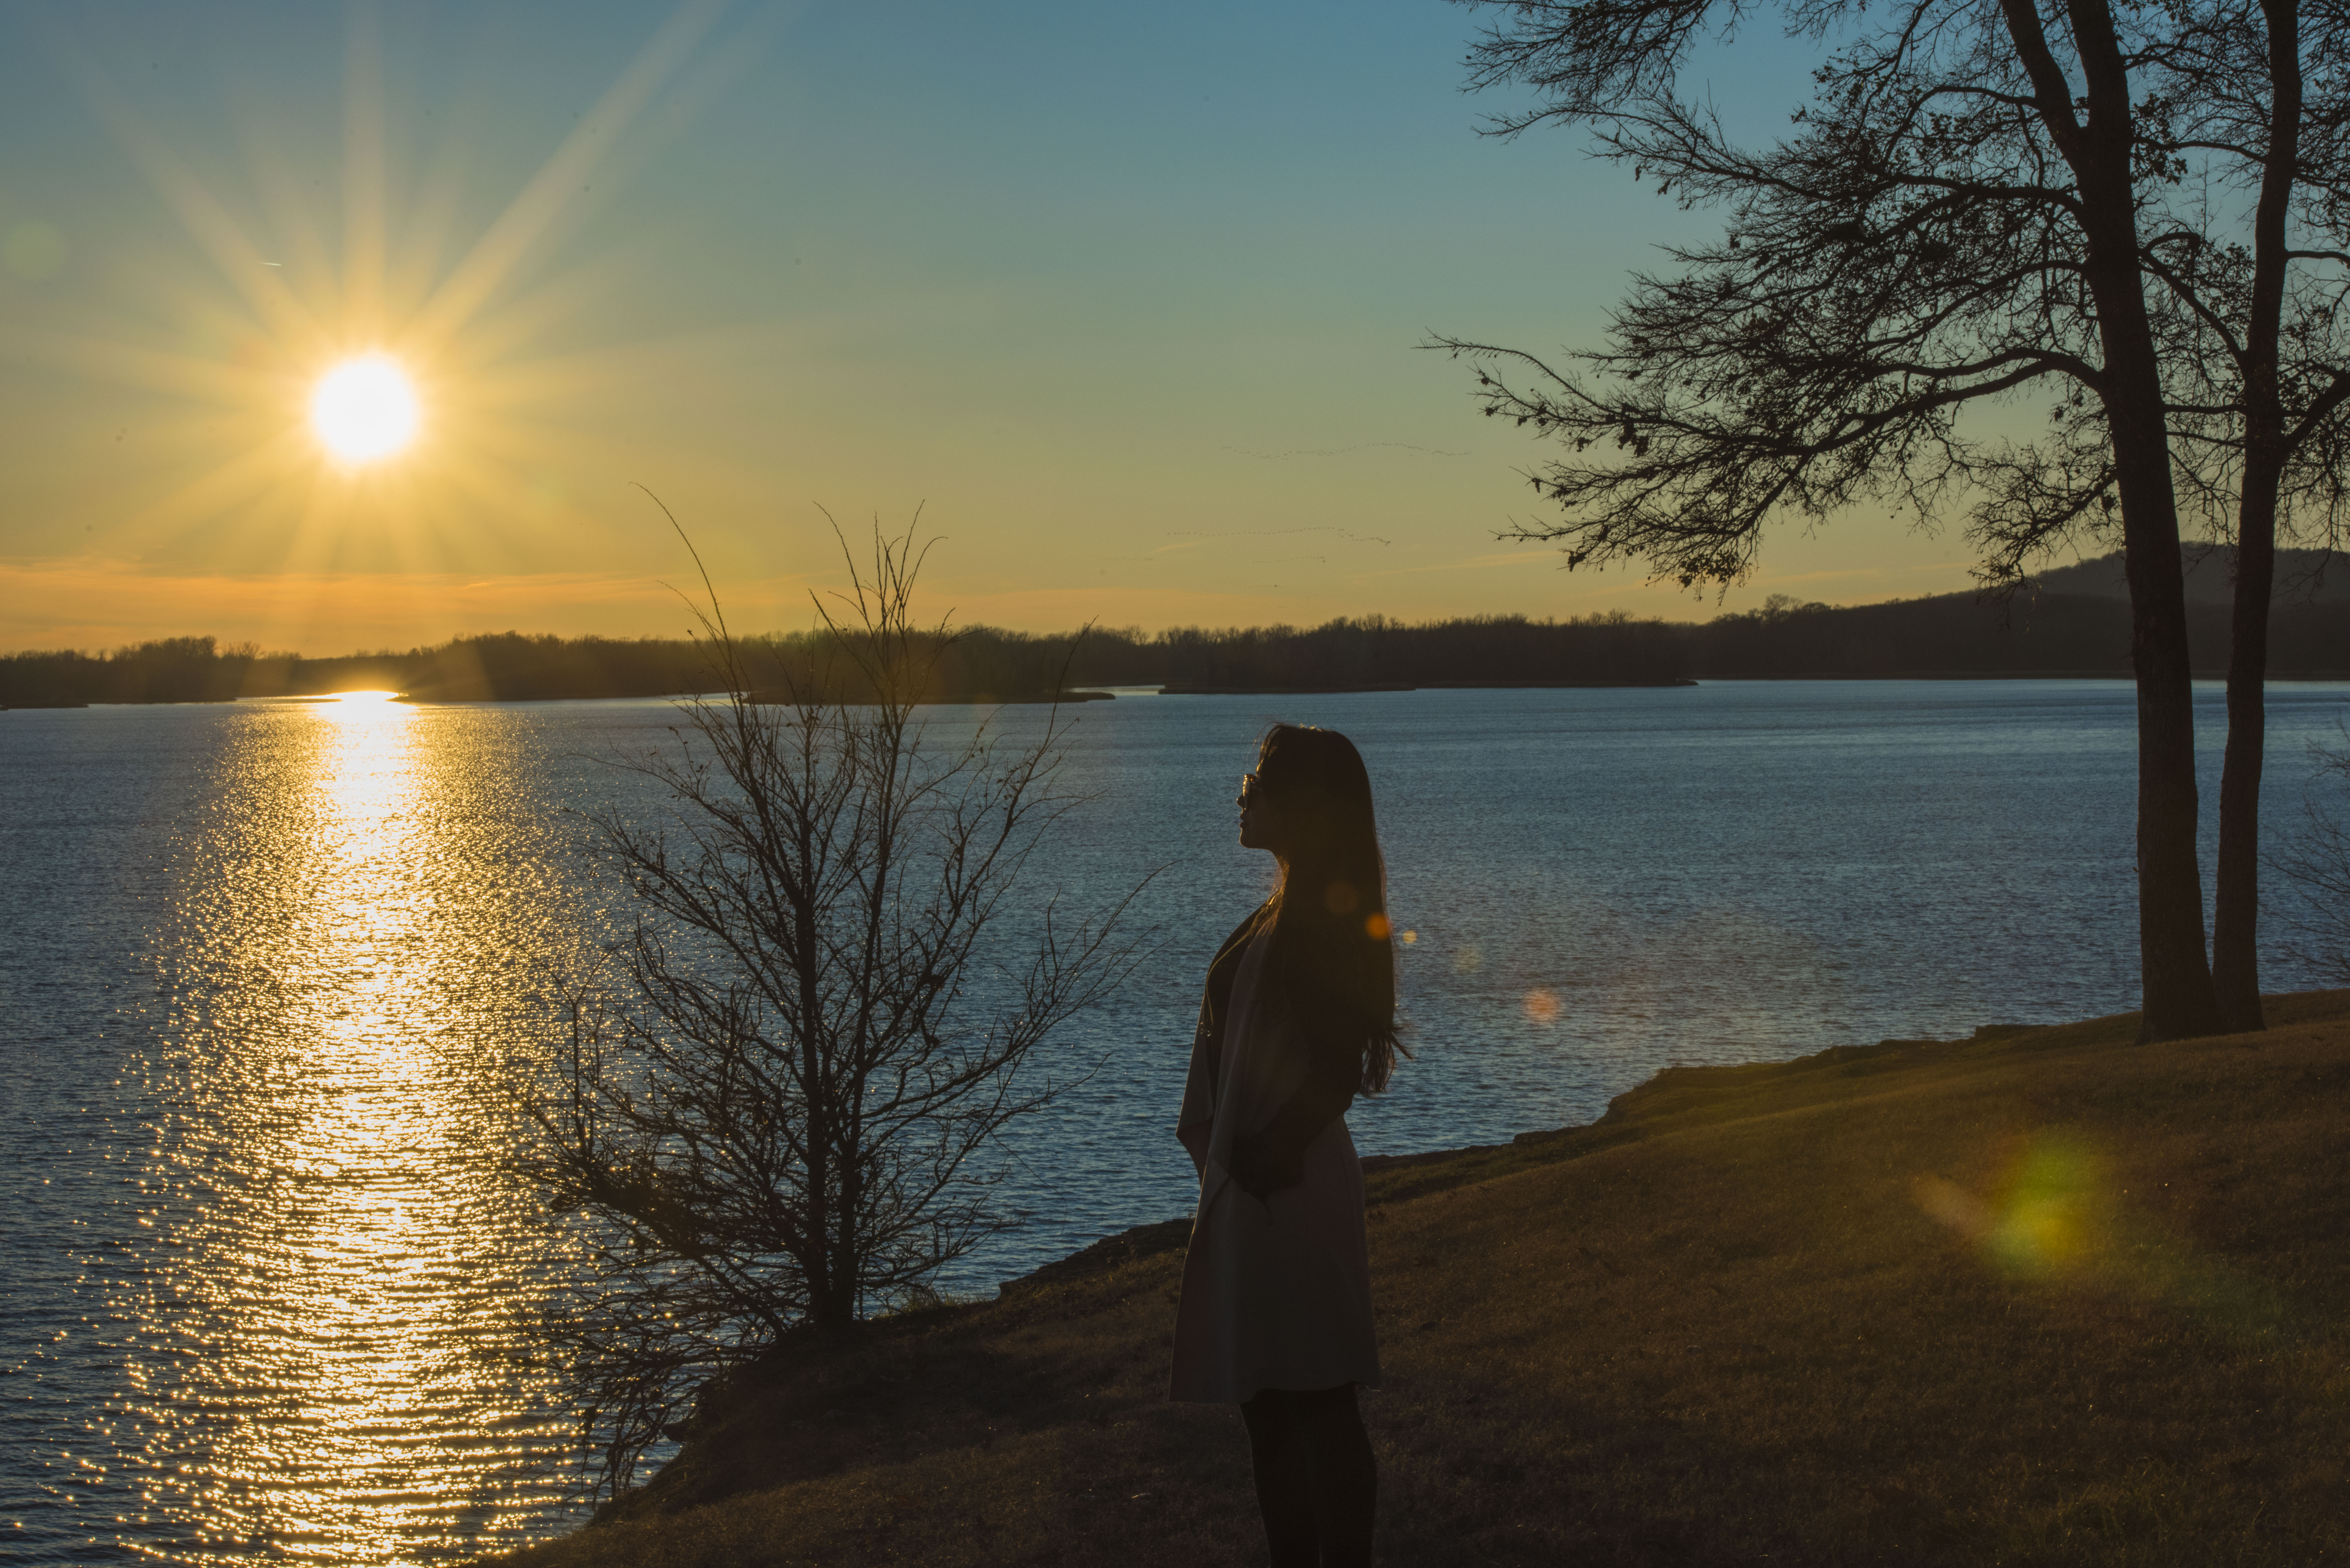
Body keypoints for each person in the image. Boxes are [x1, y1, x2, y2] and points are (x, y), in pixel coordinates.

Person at [1171, 722, 1404, 1568]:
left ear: (1300, 807)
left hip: (1290, 1190)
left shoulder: (1313, 917)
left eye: (1259, 782)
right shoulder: (1287, 904)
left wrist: (1272, 1154)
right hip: (1269, 1185)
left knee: (1313, 1402)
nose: (1244, 793)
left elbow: (1339, 1063)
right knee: (1270, 1402)